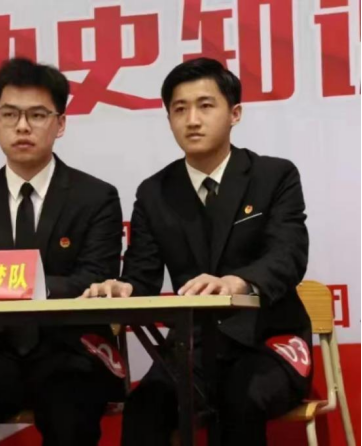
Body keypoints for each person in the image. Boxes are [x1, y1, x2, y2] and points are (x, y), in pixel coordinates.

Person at [83, 57, 312, 446]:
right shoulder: (154, 192)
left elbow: (288, 255)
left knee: (240, 398)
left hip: (268, 341)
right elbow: (141, 275)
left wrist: (237, 282)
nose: (192, 120)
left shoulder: (274, 176)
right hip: (192, 348)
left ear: (235, 113)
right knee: (144, 408)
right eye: (180, 109)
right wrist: (124, 288)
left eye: (206, 106)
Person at [0, 58, 124, 446]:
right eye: (10, 114)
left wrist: (13, 283)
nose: (23, 126)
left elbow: (94, 277)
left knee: (70, 421)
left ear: (60, 124)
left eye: (37, 115)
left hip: (70, 351)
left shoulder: (96, 197)